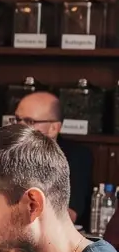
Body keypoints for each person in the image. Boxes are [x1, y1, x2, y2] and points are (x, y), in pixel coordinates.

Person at [14, 90, 94, 227]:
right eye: (17, 119)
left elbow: (69, 215)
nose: (19, 127)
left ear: (54, 128)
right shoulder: (8, 154)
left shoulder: (77, 157)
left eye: (29, 121)